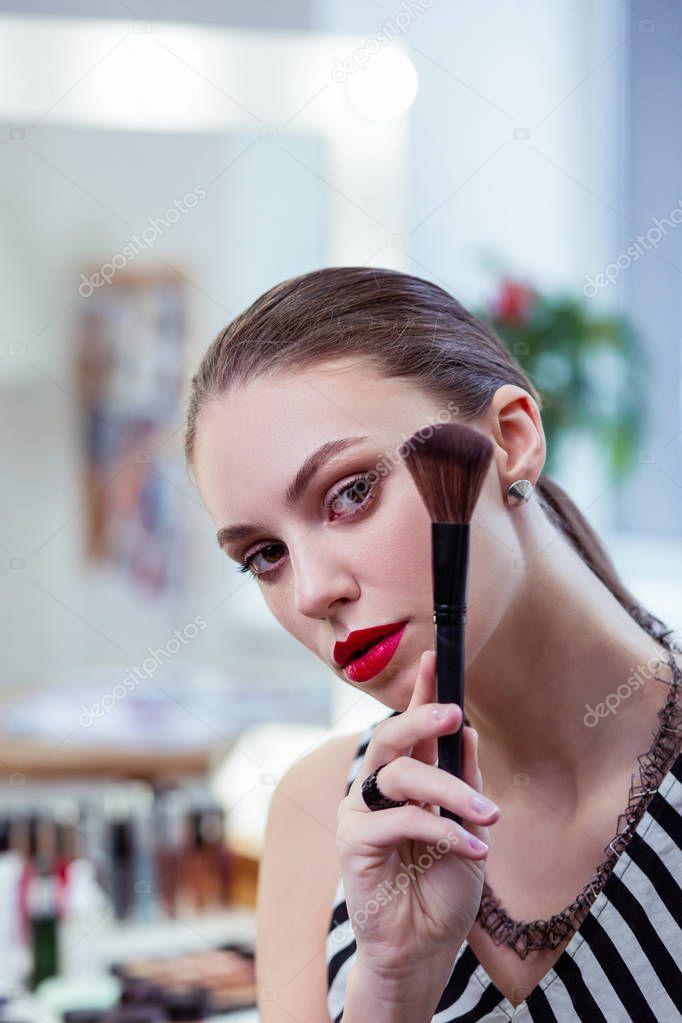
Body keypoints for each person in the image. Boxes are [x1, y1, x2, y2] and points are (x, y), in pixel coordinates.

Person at [183, 267, 682, 1022]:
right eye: (265, 555)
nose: (313, 591)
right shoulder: (321, 815)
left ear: (510, 440)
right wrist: (393, 985)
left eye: (350, 492)